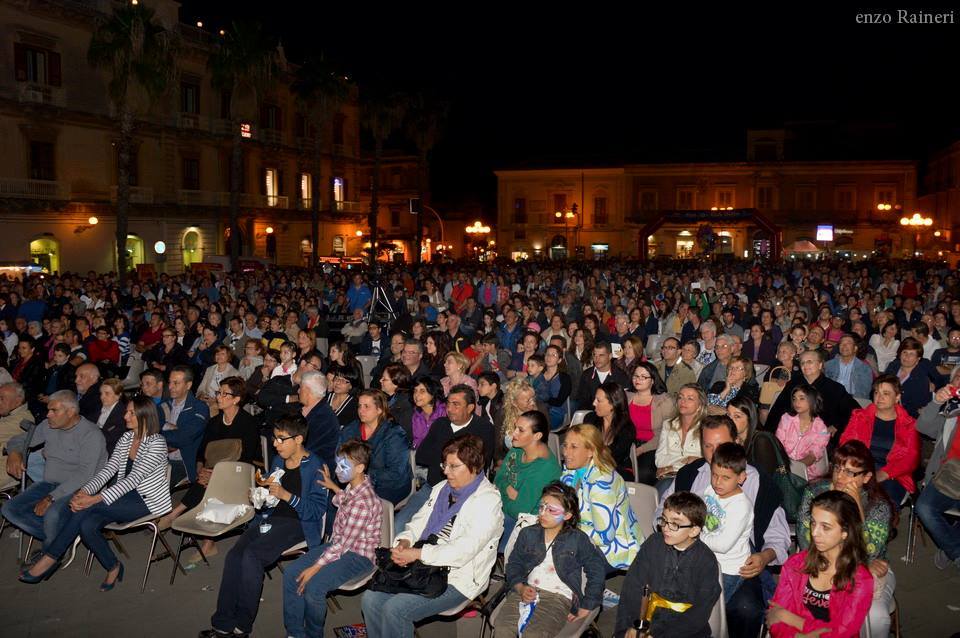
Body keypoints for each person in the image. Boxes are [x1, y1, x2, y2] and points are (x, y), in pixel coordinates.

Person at [659, 415, 791, 638]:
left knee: (746, 609)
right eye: (707, 446)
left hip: (737, 567)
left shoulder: (759, 482)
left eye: (720, 446)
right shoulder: (690, 475)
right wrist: (671, 530)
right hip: (688, 557)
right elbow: (660, 512)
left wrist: (764, 557)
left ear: (737, 444)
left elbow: (779, 537)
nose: (713, 453)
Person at [19, 395, 172, 589]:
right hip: (123, 496)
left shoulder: (156, 443)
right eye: (126, 411)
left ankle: (51, 557)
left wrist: (93, 499)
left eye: (131, 413)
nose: (125, 416)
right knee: (87, 525)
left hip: (146, 501)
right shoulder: (127, 438)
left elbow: (134, 479)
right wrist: (84, 491)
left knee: (85, 510)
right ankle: (114, 566)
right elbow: (109, 469)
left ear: (145, 415)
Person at [361, 434, 504, 638]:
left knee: (395, 610)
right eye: (445, 465)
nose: (446, 471)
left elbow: (463, 551)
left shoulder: (488, 502)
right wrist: (405, 541)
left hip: (457, 576)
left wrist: (417, 554)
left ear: (474, 466)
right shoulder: (442, 489)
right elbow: (419, 521)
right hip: (423, 564)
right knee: (370, 600)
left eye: (454, 466)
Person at [198, 415, 328, 638]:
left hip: (298, 524)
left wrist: (288, 496)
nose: (275, 444)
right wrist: (260, 495)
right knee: (234, 556)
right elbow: (269, 490)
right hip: (271, 520)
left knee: (252, 556)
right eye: (274, 439)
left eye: (280, 439)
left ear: (298, 439)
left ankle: (241, 626)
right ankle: (222, 623)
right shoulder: (279, 461)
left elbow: (316, 511)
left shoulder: (315, 467)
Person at [282, 439, 383, 638]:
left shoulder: (364, 501)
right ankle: (295, 633)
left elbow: (344, 544)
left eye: (344, 466)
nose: (338, 470)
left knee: (314, 588)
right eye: (338, 464)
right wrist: (334, 487)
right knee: (291, 573)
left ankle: (313, 634)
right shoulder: (355, 486)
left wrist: (315, 567)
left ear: (360, 467)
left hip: (359, 556)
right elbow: (343, 501)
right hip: (339, 545)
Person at [796, 441, 897, 638]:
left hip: (866, 569)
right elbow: (806, 542)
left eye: (851, 473)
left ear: (867, 477)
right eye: (838, 468)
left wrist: (858, 510)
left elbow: (871, 553)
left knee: (877, 616)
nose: (840, 477)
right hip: (821, 566)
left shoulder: (878, 506)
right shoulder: (815, 493)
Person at [157, 377, 260, 554]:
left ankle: (176, 513)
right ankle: (205, 539)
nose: (218, 397)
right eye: (218, 393)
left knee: (209, 482)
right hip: (214, 472)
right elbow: (202, 451)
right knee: (205, 480)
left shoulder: (248, 423)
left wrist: (216, 475)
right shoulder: (214, 423)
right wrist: (200, 468)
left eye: (224, 394)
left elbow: (246, 458)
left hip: (239, 474)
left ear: (236, 399)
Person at [495, 481, 607, 638]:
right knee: (502, 629)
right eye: (541, 507)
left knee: (535, 634)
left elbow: (597, 570)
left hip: (558, 598)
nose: (543, 513)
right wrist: (520, 588)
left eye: (551, 510)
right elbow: (514, 564)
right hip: (527, 591)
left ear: (567, 515)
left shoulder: (578, 540)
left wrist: (587, 605)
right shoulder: (528, 534)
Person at [2, 391, 107, 555]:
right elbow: (21, 439)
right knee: (10, 509)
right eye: (48, 410)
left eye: (54, 410)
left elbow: (85, 475)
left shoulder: (91, 434)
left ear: (71, 412)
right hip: (49, 484)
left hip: (79, 488)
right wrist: (14, 452)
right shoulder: (48, 426)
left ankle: (50, 555)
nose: (48, 414)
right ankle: (60, 540)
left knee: (52, 515)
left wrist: (51, 498)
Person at [614, 491, 721, 638]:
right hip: (647, 617)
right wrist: (633, 625)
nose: (665, 527)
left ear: (694, 530)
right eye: (664, 520)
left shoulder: (706, 561)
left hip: (683, 628)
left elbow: (700, 610)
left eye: (675, 524)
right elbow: (632, 587)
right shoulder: (653, 544)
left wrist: (659, 635)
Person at [766, 491, 873, 637]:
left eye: (826, 527)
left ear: (845, 532)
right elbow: (775, 619)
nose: (815, 532)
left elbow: (841, 632)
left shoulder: (860, 579)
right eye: (813, 523)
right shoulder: (796, 564)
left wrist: (791, 618)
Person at [560, 423, 642, 569]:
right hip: (581, 535)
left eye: (574, 447)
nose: (566, 452)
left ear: (591, 451)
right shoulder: (571, 471)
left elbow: (605, 537)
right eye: (565, 445)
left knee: (560, 556)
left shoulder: (601, 484)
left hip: (614, 548)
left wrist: (567, 526)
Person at [839, 375, 920, 507]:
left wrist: (884, 473)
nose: (879, 397)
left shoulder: (909, 425)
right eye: (877, 392)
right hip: (859, 468)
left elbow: (910, 460)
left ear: (897, 397)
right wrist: (858, 470)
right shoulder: (860, 416)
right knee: (840, 500)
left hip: (893, 475)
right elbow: (846, 444)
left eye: (886, 393)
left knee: (882, 505)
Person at [494, 410, 561, 550]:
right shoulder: (517, 450)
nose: (514, 433)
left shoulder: (544, 468)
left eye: (521, 430)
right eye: (515, 428)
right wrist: (507, 488)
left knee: (481, 523)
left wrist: (501, 494)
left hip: (528, 524)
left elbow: (519, 511)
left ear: (537, 436)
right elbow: (498, 479)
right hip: (506, 510)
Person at [764, 350, 858, 442]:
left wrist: (837, 425)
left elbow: (852, 410)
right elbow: (778, 409)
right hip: (791, 432)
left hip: (821, 436)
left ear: (820, 365)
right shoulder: (793, 383)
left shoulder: (835, 388)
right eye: (802, 363)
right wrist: (768, 435)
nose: (805, 366)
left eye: (809, 362)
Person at [700, 442, 754, 603]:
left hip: (729, 570)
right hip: (707, 558)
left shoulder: (741, 506)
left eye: (725, 478)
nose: (717, 482)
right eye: (714, 475)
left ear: (741, 477)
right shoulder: (711, 490)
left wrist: (695, 536)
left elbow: (723, 545)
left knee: (713, 608)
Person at [339, 389, 413, 505]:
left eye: (366, 406)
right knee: (334, 497)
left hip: (390, 485)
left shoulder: (394, 434)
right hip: (356, 479)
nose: (361, 410)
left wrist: (363, 475)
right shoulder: (351, 429)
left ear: (379, 410)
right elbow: (340, 456)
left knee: (360, 502)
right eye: (359, 406)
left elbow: (396, 473)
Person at [627, 361, 677, 485]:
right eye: (636, 376)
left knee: (644, 472)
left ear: (653, 380)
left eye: (643, 377)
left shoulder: (664, 401)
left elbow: (665, 433)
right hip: (628, 443)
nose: (638, 379)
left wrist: (642, 449)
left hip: (653, 445)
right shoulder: (626, 396)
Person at [159, 365, 210, 486]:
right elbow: (151, 431)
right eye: (170, 382)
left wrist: (164, 431)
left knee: (151, 487)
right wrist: (172, 429)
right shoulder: (163, 406)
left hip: (183, 464)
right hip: (159, 460)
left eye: (176, 383)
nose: (170, 387)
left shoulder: (199, 408)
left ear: (188, 385)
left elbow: (184, 437)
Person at [655, 383, 706, 494]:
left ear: (700, 405)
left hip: (695, 477)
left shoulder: (707, 428)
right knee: (662, 489)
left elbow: (704, 461)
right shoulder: (668, 424)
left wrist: (672, 466)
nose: (683, 401)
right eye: (680, 397)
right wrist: (688, 460)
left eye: (690, 398)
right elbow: (659, 460)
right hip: (669, 476)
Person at [776, 384, 831, 481]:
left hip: (806, 471)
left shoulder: (821, 429)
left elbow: (813, 455)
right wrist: (784, 465)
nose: (796, 402)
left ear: (812, 400)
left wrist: (795, 467)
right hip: (781, 466)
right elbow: (778, 445)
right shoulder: (786, 419)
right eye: (794, 399)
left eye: (802, 398)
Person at [583, 381, 636, 478]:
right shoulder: (590, 419)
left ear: (613, 404)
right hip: (590, 466)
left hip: (617, 470)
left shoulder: (626, 429)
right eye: (595, 399)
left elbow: (613, 459)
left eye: (598, 400)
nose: (594, 403)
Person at [883, 336, 936, 418]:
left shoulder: (921, 379)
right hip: (884, 409)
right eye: (904, 352)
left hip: (906, 417)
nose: (907, 357)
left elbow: (916, 409)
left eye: (911, 354)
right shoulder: (893, 366)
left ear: (918, 359)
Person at [297, 371, 339, 472]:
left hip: (318, 470)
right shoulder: (305, 410)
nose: (298, 391)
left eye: (300, 387)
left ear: (308, 391)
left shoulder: (323, 417)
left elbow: (306, 449)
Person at [575, 341, 630, 409]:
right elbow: (582, 401)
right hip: (592, 413)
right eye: (594, 355)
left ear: (610, 356)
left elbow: (623, 403)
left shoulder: (620, 375)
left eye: (601, 355)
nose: (597, 359)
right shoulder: (587, 375)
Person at [379, 363, 414, 444]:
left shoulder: (406, 405)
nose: (380, 380)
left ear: (396, 383)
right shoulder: (389, 400)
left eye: (384, 379)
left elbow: (403, 436)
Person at [541, 344, 572, 430]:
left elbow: (559, 402)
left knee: (534, 424)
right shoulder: (538, 375)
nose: (549, 357)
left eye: (553, 355)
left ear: (559, 360)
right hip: (539, 409)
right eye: (547, 354)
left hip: (556, 412)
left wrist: (541, 398)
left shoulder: (565, 378)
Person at [96, 378, 128, 455]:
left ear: (118, 395)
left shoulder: (123, 414)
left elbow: (111, 439)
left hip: (109, 452)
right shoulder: (97, 407)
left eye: (107, 393)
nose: (102, 397)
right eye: (101, 393)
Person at [325, 364, 359, 428]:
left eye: (343, 381)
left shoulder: (354, 405)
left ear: (351, 385)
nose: (337, 382)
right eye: (336, 378)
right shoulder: (325, 398)